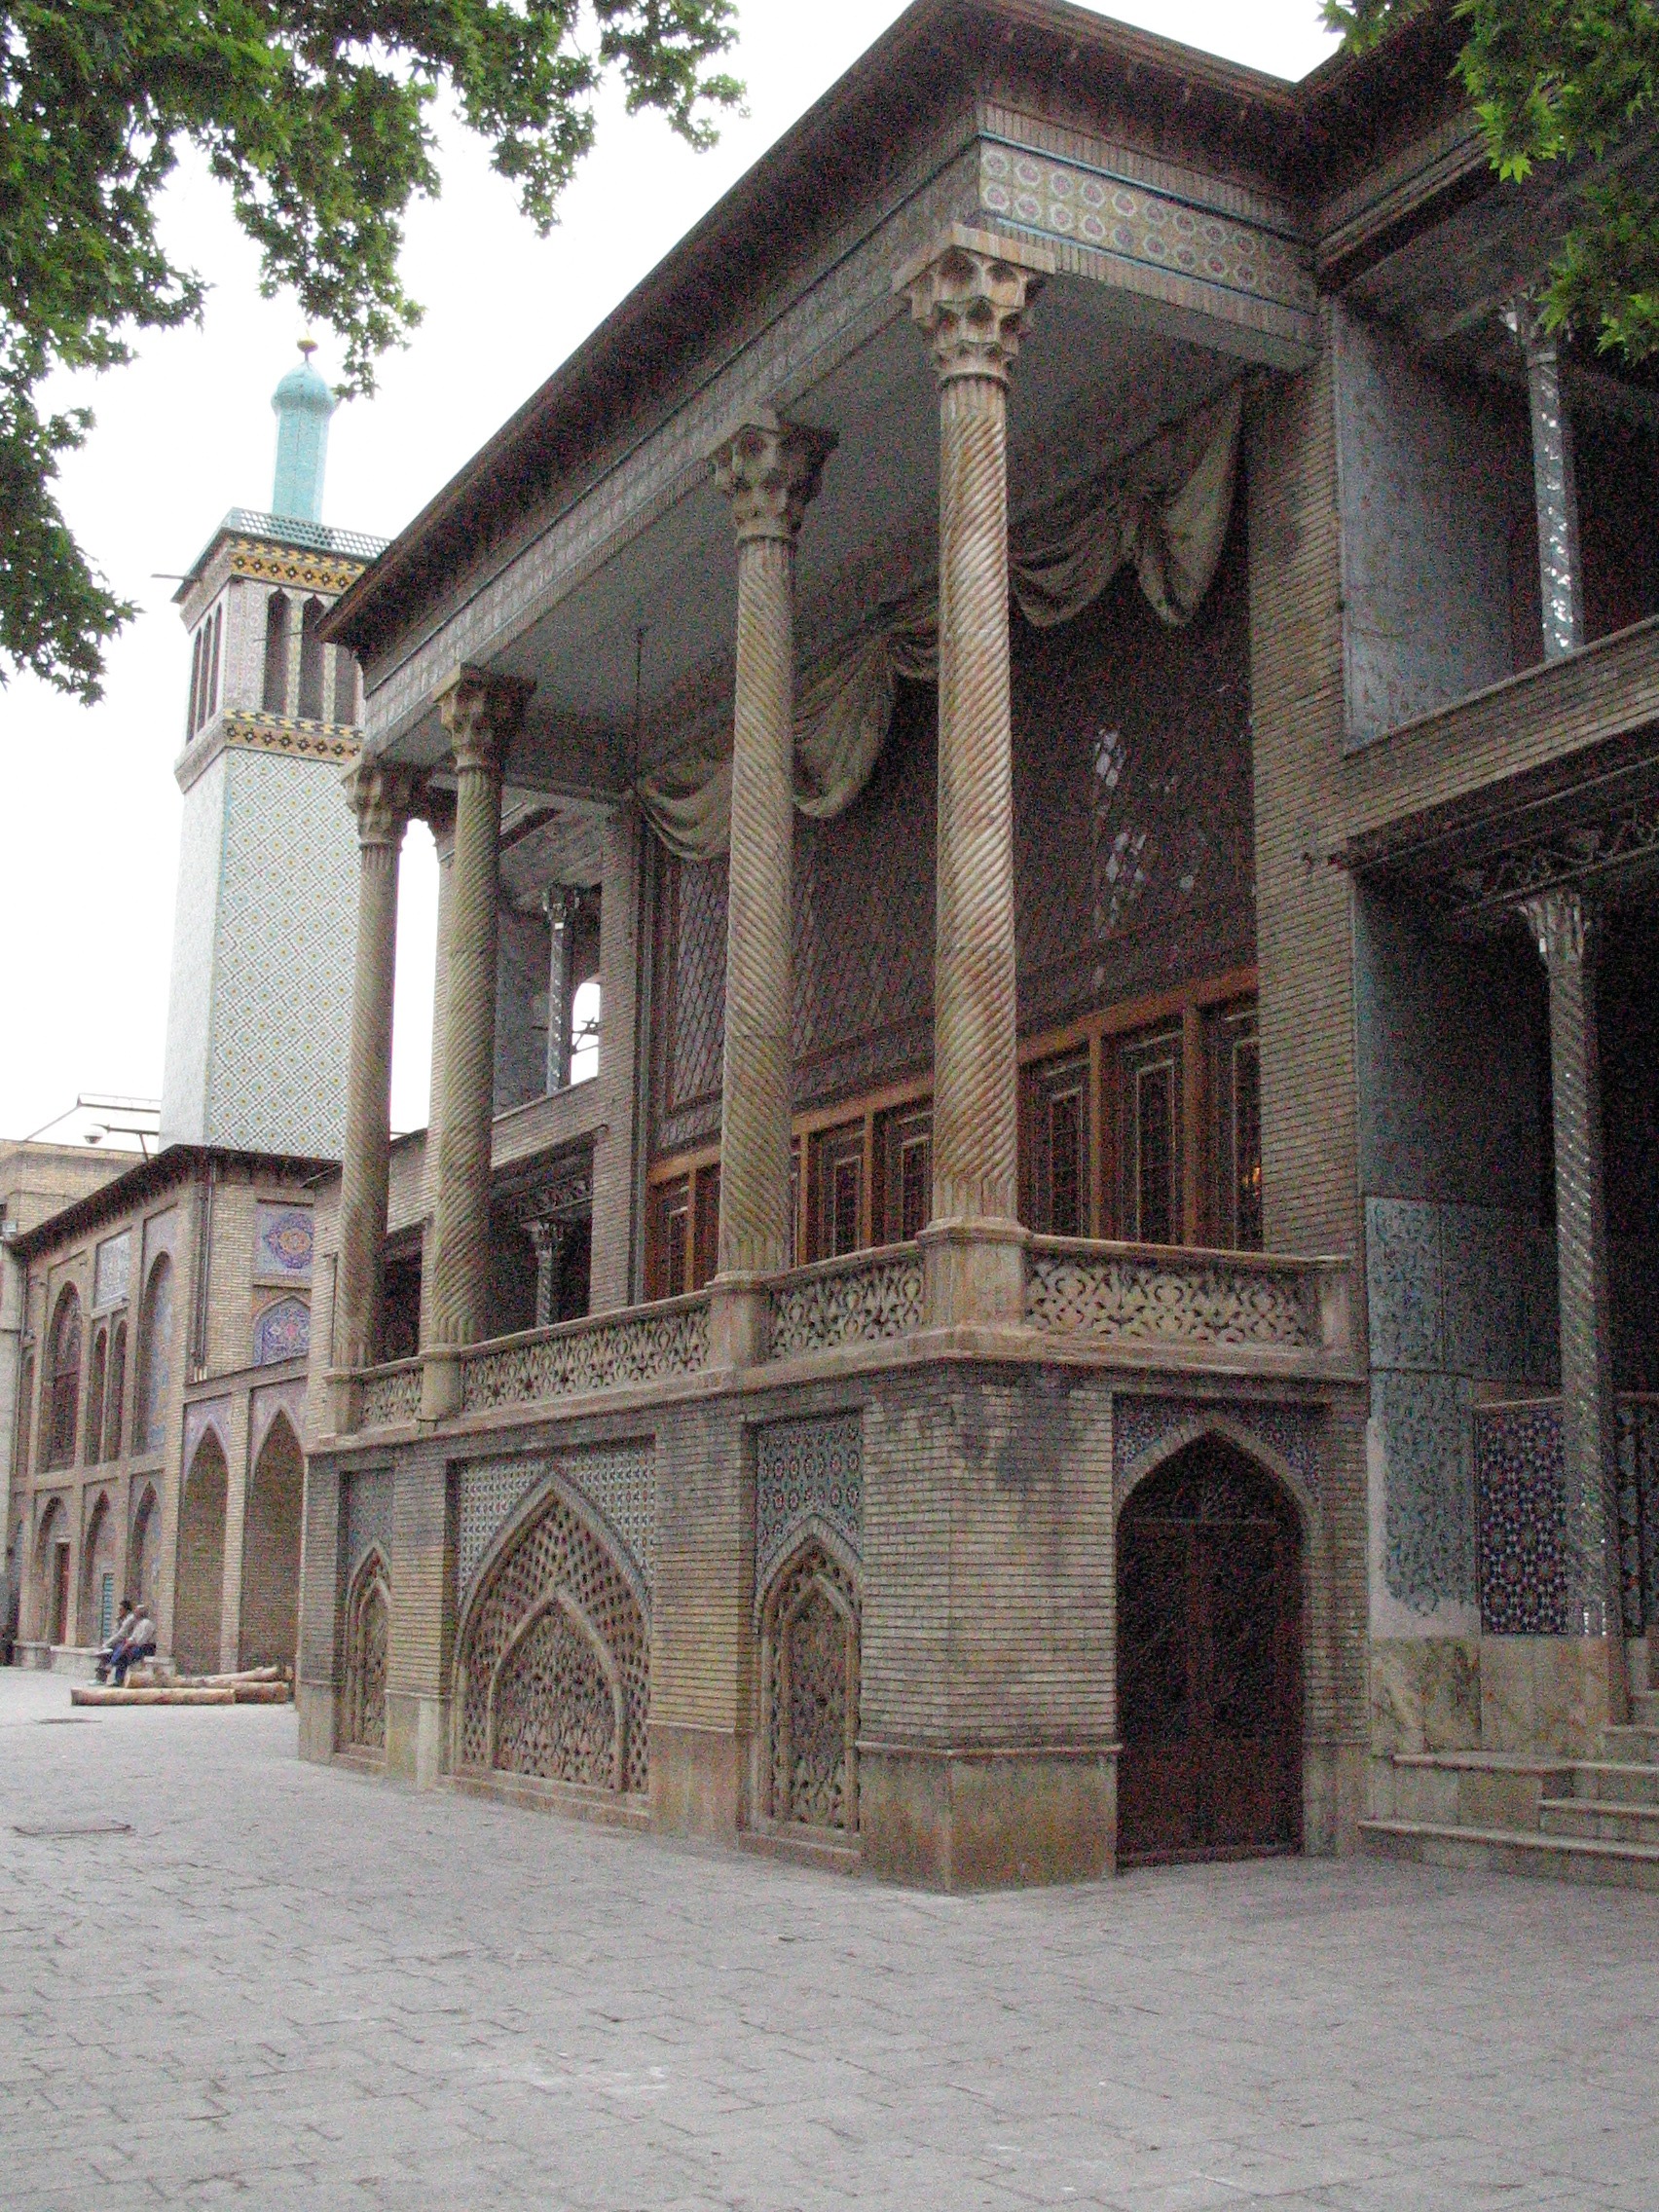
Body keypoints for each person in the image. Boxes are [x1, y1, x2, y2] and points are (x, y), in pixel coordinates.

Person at [107, 1605, 158, 1686]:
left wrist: (128, 1644)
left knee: (124, 1654)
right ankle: (117, 1677)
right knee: (121, 1649)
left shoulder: (147, 1624)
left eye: (136, 1611)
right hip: (136, 1645)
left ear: (140, 1613)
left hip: (146, 1647)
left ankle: (111, 1665)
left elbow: (141, 1641)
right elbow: (132, 1637)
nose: (134, 1613)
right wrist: (128, 1643)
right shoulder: (138, 1623)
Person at [94, 1599, 138, 1683]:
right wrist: (106, 1645)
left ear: (127, 1610)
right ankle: (100, 1677)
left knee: (120, 1653)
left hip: (128, 1644)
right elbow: (114, 1634)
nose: (119, 1611)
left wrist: (106, 1644)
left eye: (121, 1609)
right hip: (120, 1643)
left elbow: (121, 1635)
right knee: (106, 1653)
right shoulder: (119, 1619)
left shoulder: (130, 1619)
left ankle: (113, 1673)